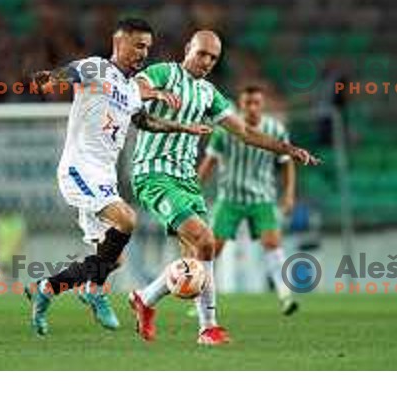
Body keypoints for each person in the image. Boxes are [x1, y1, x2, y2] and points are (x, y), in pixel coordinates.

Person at [128, 31, 320, 345]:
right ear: (188, 48)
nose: (206, 62)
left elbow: (245, 132)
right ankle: (208, 328)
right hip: (153, 174)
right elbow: (138, 85)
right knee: (205, 240)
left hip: (186, 179)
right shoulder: (166, 72)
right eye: (202, 53)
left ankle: (145, 299)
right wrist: (155, 94)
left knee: (196, 259)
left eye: (213, 58)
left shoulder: (209, 94)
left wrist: (286, 148)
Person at [28, 18, 212, 336]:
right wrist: (49, 78)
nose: (143, 53)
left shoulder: (130, 88)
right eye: (138, 45)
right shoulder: (97, 68)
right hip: (79, 169)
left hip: (104, 177)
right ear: (118, 42)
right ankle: (95, 289)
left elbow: (143, 122)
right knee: (127, 220)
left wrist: (183, 127)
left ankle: (47, 289)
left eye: (148, 48)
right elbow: (67, 74)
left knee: (113, 259)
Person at [198, 85, 298, 315]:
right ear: (240, 105)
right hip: (230, 198)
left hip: (262, 197)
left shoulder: (275, 129)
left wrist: (290, 193)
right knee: (212, 248)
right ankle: (202, 300)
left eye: (256, 103)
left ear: (262, 105)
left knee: (272, 243)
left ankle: (285, 296)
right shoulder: (225, 131)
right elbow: (209, 163)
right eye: (247, 103)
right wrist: (194, 189)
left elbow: (287, 164)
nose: (252, 108)